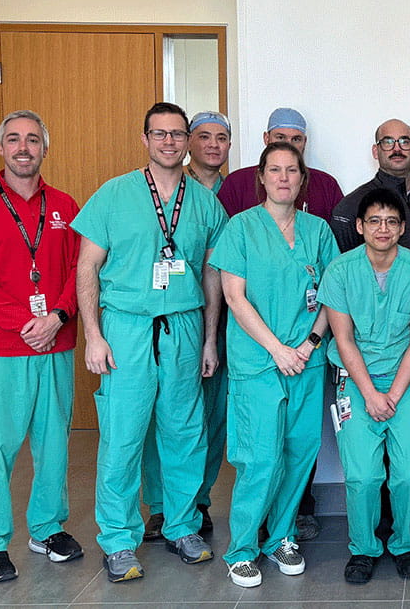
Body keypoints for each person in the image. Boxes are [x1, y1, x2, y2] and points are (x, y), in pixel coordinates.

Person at [73, 102, 228, 582]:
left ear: (187, 142)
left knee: (185, 432)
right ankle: (119, 539)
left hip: (183, 327)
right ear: (144, 139)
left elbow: (211, 274)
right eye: (159, 134)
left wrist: (208, 340)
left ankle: (181, 525)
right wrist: (93, 336)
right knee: (122, 436)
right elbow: (86, 268)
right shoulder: (114, 195)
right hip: (127, 327)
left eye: (177, 134)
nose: (169, 142)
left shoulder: (204, 202)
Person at [0, 110, 83, 583]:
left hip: (56, 344)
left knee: (53, 444)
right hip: (0, 349)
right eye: (13, 139)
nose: (23, 147)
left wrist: (59, 317)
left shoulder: (66, 206)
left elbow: (79, 273)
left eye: (32, 139)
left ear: (44, 147)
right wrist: (26, 322)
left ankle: (47, 529)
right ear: (1, 148)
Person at [208, 142, 339, 587]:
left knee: (300, 452)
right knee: (259, 457)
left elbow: (330, 296)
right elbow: (233, 297)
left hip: (307, 360)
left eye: (292, 170)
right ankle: (242, 548)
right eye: (274, 170)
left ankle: (280, 536)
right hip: (258, 364)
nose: (283, 177)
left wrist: (308, 343)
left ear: (303, 179)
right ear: (260, 178)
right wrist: (278, 350)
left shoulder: (319, 231)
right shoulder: (240, 228)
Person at [318, 188, 410, 584]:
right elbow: (344, 339)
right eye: (374, 221)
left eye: (391, 221)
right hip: (354, 380)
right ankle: (364, 548)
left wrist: (394, 395)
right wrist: (369, 394)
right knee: (363, 475)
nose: (382, 228)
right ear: (359, 226)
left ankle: (404, 543)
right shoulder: (340, 271)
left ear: (402, 228)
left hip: (404, 379)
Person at [142, 111, 232, 541]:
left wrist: (211, 338)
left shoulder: (238, 191)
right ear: (186, 142)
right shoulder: (152, 189)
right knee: (159, 417)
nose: (213, 145)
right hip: (169, 320)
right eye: (203, 136)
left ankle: (197, 499)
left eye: (222, 138)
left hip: (218, 322)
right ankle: (162, 506)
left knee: (208, 418)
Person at [330, 119, 410, 275]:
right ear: (376, 151)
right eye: (388, 142)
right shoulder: (352, 205)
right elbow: (343, 271)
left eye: (405, 141)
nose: (397, 149)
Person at [218, 107, 344, 224]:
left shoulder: (326, 185)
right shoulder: (237, 183)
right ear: (266, 138)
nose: (288, 145)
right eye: (280, 137)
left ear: (304, 142)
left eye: (296, 139)